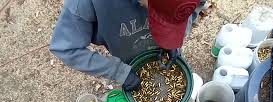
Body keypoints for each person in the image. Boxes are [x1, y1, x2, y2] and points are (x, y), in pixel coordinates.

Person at [50, 0, 205, 91]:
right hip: (127, 54)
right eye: (158, 15)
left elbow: (197, 4)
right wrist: (118, 71)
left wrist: (175, 36)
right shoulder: (85, 3)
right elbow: (65, 48)